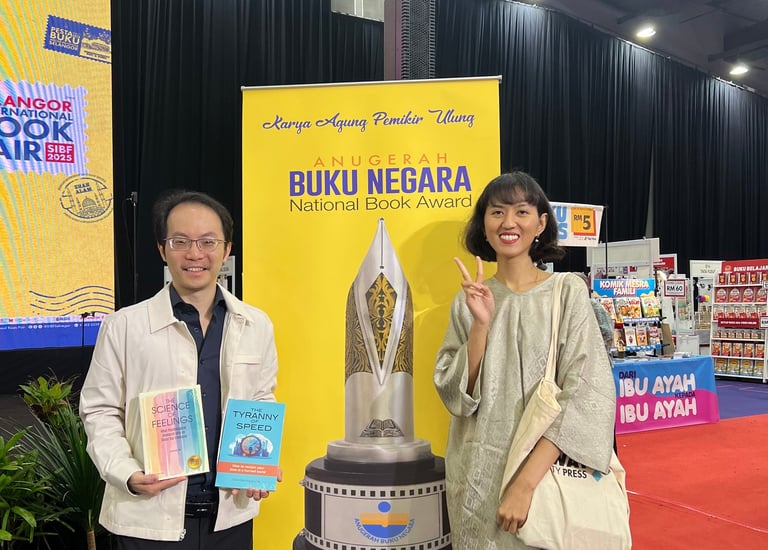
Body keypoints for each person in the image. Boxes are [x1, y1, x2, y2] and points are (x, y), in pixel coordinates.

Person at [80, 190, 279, 549]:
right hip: (148, 520)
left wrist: (259, 462)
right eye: (180, 241)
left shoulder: (256, 324)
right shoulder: (124, 326)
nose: (195, 254)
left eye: (208, 242)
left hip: (229, 520)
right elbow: (99, 410)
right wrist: (127, 473)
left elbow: (260, 399)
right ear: (162, 249)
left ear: (226, 250)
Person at [433, 172, 616, 548]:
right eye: (497, 212)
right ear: (484, 225)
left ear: (541, 223)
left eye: (521, 211)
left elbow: (585, 394)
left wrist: (525, 484)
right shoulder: (468, 302)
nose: (509, 222)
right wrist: (481, 325)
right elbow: (456, 397)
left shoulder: (566, 293)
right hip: (477, 479)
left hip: (545, 475)